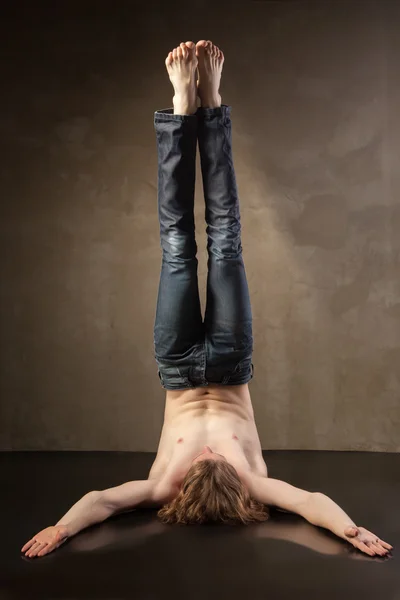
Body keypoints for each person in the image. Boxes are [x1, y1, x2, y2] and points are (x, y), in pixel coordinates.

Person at [21, 40, 392, 559]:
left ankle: (179, 108)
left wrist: (60, 529)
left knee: (177, 246)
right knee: (226, 239)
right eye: (217, 463)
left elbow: (102, 501)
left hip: (176, 365)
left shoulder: (162, 487)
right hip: (231, 362)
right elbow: (309, 501)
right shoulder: (253, 484)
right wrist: (351, 530)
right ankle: (212, 103)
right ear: (237, 494)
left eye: (203, 464)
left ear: (186, 488)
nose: (211, 454)